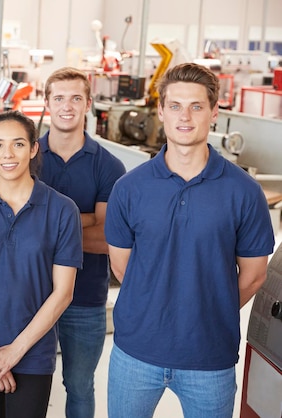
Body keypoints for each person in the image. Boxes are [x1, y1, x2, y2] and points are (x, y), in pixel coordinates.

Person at [104, 62, 275, 418]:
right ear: (161, 111)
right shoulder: (129, 189)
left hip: (209, 358)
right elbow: (122, 266)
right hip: (136, 353)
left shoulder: (244, 192)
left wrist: (211, 307)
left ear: (214, 112)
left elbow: (255, 274)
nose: (186, 116)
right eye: (176, 106)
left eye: (197, 106)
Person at [0, 110, 83, 418]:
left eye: (18, 144)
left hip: (32, 352)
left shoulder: (62, 210)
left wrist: (14, 353)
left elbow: (63, 293)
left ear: (34, 149)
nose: (7, 154)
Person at [37, 67, 126, 417]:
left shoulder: (108, 166)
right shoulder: (27, 157)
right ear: (46, 103)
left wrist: (46, 229)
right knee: (30, 382)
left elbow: (107, 238)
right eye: (58, 98)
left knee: (79, 385)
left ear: (88, 103)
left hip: (85, 298)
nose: (67, 106)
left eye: (76, 98)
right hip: (30, 295)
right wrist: (83, 218)